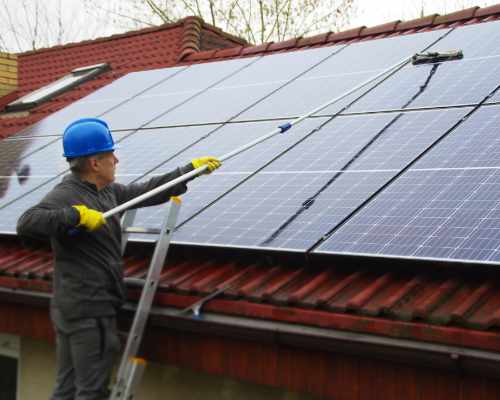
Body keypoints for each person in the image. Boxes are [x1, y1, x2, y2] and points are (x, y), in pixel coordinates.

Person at [16, 118, 221, 400]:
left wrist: (188, 172)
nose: (117, 159)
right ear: (95, 163)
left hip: (75, 306)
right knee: (91, 391)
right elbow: (27, 223)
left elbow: (148, 191)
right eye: (111, 154)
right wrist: (74, 216)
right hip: (88, 310)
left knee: (67, 389)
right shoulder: (67, 194)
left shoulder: (108, 192)